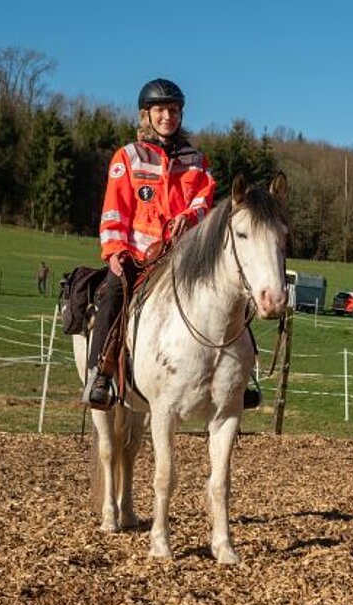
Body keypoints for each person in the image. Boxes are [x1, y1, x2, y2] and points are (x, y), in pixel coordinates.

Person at [82, 78, 216, 409]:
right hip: (138, 255)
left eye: (173, 110)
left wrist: (193, 217)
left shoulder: (196, 160)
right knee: (114, 292)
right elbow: (115, 209)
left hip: (183, 254)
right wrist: (115, 252)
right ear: (146, 115)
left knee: (223, 291)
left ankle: (242, 374)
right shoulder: (127, 157)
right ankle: (100, 372)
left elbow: (204, 198)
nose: (167, 116)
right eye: (160, 110)